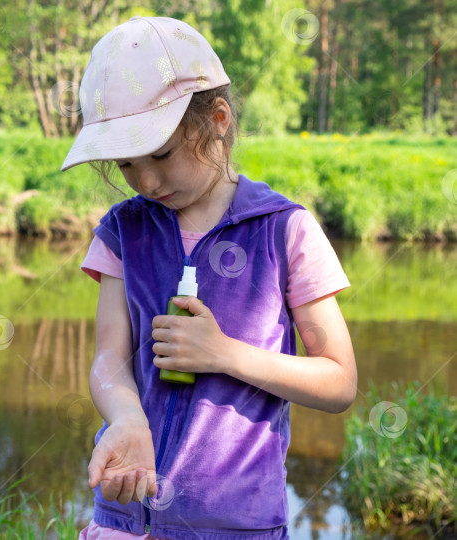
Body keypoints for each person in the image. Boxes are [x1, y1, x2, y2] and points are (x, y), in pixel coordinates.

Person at [59, 16, 357, 540]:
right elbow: (109, 358)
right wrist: (127, 420)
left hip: (237, 528)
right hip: (126, 522)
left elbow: (339, 382)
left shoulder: (285, 231)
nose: (146, 181)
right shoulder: (122, 233)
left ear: (216, 119)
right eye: (126, 164)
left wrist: (225, 354)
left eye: (162, 154)